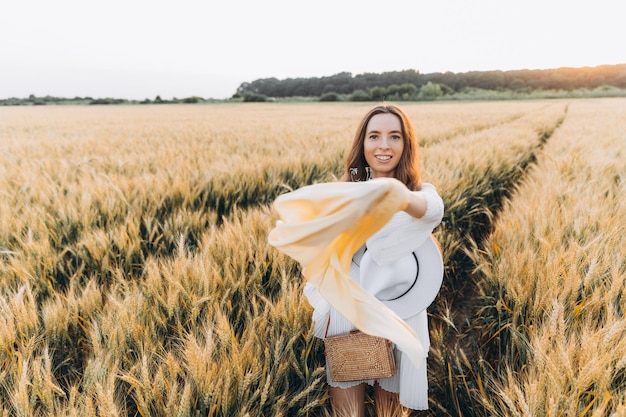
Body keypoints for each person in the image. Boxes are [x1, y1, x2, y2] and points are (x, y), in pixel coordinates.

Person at [302, 103, 445, 416]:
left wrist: (396, 195)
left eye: (395, 137)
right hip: (348, 310)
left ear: (406, 145)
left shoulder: (420, 193)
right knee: (348, 412)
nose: (384, 145)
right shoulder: (342, 195)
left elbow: (435, 209)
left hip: (401, 312)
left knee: (389, 412)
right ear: (362, 144)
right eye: (374, 136)